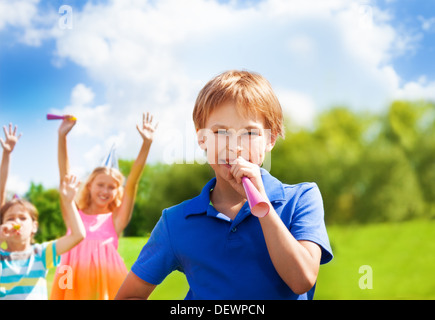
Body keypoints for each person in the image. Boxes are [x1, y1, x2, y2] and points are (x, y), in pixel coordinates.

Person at [115, 70, 333, 300]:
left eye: (249, 132)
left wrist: (262, 205)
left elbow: (302, 280)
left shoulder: (302, 198)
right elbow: (129, 296)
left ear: (271, 139)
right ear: (202, 139)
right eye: (220, 132)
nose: (234, 146)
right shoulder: (176, 221)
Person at [50, 112, 157, 300]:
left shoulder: (116, 219)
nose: (105, 191)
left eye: (112, 187)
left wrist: (146, 144)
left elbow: (132, 182)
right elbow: (64, 178)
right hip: (70, 279)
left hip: (106, 284)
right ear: (90, 185)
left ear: (118, 191)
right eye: (100, 184)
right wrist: (62, 137)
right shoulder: (73, 214)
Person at [0, 122, 86, 299]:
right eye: (10, 218)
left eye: (23, 218)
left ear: (34, 226)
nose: (16, 222)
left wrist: (69, 202)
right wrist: (6, 155)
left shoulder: (41, 254)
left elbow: (78, 235)